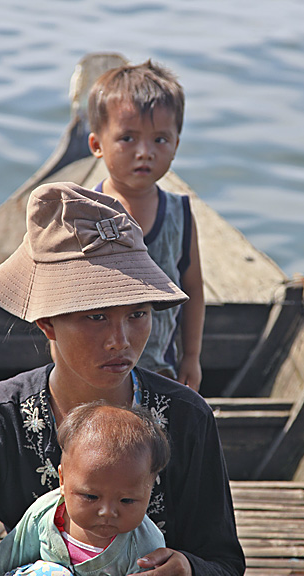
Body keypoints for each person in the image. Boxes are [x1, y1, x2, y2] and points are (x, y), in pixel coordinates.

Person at [0, 182, 244, 576]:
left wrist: (189, 571)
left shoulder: (186, 417)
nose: (121, 340)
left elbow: (225, 567)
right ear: (47, 322)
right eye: (96, 316)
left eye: (137, 314)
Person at [0, 403, 170, 576]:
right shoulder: (45, 513)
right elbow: (13, 550)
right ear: (63, 481)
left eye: (127, 500)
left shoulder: (145, 545)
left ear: (149, 491)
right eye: (91, 497)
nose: (107, 511)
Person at [88, 59, 205, 391]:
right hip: (96, 370)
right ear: (97, 145)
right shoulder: (85, 213)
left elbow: (192, 289)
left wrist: (191, 357)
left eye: (160, 140)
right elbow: (62, 301)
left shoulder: (179, 214)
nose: (145, 152)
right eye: (128, 138)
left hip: (159, 369)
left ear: (176, 145)